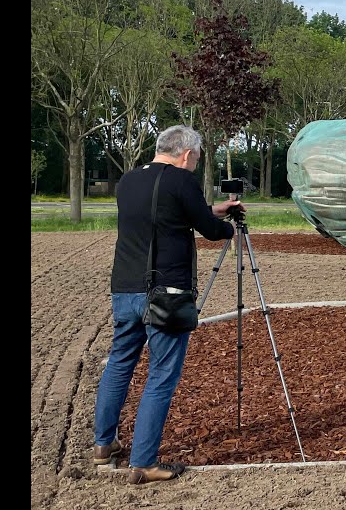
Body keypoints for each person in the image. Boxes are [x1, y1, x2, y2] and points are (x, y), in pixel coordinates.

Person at [90, 125, 243, 484]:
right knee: (161, 374)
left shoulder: (129, 181)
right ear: (186, 154)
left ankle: (103, 444)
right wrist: (229, 228)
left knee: (119, 364)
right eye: (197, 158)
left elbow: (166, 214)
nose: (196, 164)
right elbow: (206, 228)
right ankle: (143, 462)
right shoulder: (181, 180)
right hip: (165, 294)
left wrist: (212, 209)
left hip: (125, 289)